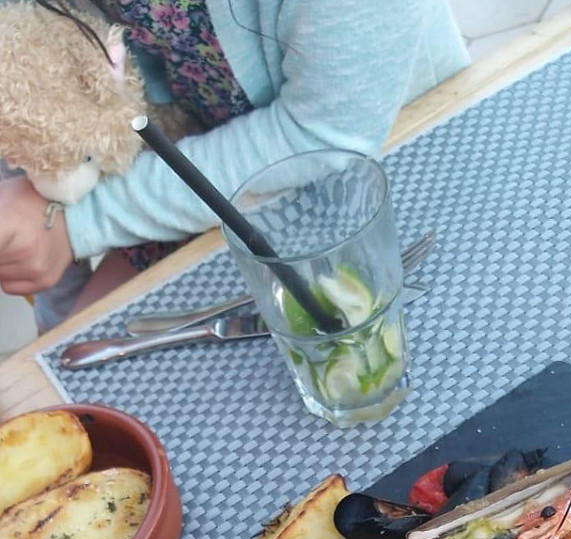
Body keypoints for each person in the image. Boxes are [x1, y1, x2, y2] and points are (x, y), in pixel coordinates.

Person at [0, 0, 468, 328]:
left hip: (394, 155)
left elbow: (322, 134)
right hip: (188, 189)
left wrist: (80, 223)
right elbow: (26, 111)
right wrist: (57, 302)